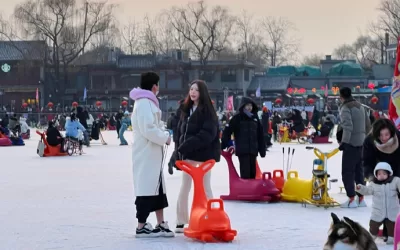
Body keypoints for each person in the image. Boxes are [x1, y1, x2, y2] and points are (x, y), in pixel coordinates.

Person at [130, 71, 174, 238]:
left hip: (152, 154)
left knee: (158, 189)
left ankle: (160, 222)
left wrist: (162, 132)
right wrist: (165, 138)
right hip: (147, 153)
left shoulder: (148, 102)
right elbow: (148, 129)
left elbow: (153, 125)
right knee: (146, 189)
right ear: (154, 85)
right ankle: (141, 225)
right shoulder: (143, 103)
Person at [174, 80, 220, 233]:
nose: (192, 92)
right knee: (185, 187)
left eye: (196, 90)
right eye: (191, 89)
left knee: (205, 187)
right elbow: (180, 132)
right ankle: (181, 220)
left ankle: (212, 216)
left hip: (203, 157)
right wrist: (178, 151)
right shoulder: (185, 110)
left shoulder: (208, 111)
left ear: (202, 93)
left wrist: (188, 144)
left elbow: (207, 134)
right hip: (187, 156)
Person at [362, 118, 400, 241]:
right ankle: (384, 229)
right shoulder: (369, 141)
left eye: (387, 134)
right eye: (380, 135)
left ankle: (393, 230)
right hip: (380, 173)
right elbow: (367, 162)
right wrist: (372, 177)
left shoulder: (398, 138)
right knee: (382, 202)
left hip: (397, 171)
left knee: (395, 203)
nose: (384, 138)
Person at [337, 87, 371, 208]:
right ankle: (361, 199)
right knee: (359, 172)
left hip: (351, 144)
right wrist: (364, 139)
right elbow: (368, 125)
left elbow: (348, 127)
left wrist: (344, 142)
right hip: (361, 144)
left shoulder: (345, 108)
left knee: (347, 172)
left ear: (341, 96)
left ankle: (351, 199)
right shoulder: (361, 106)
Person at [221, 97, 266, 179]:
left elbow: (260, 135)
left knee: (253, 174)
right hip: (242, 151)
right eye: (247, 105)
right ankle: (245, 190)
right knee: (245, 174)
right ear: (243, 106)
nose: (249, 107)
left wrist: (262, 150)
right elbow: (227, 132)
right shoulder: (237, 118)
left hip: (253, 150)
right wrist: (223, 145)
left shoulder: (255, 118)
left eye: (251, 105)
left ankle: (251, 190)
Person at [356, 162, 400, 245]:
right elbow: (367, 190)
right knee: (373, 225)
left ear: (389, 174)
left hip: (392, 211)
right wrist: (360, 188)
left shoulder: (395, 181)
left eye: (384, 173)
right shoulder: (374, 184)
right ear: (376, 175)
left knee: (392, 227)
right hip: (378, 212)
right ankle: (372, 236)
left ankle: (391, 238)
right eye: (379, 174)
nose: (381, 175)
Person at [167, 100, 184, 175]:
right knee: (179, 150)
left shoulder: (176, 114)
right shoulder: (183, 112)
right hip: (181, 135)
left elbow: (170, 125)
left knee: (177, 150)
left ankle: (177, 165)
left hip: (176, 135)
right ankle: (172, 163)